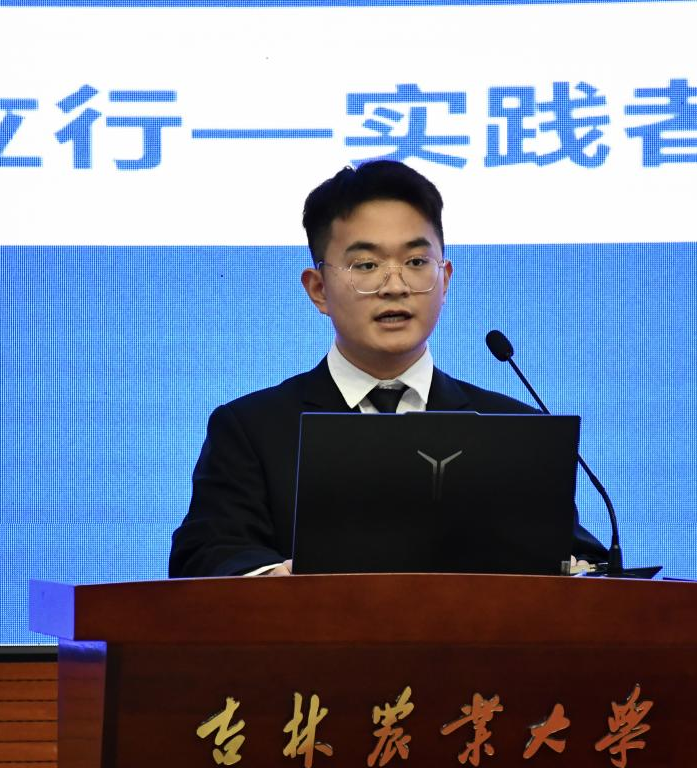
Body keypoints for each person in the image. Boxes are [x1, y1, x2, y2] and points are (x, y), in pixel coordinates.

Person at [169, 160, 603, 578]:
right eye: (366, 265)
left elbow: (583, 562)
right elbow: (209, 554)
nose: (395, 286)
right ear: (318, 289)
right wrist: (277, 581)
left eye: (416, 263)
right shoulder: (252, 429)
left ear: (445, 279)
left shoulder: (512, 429)